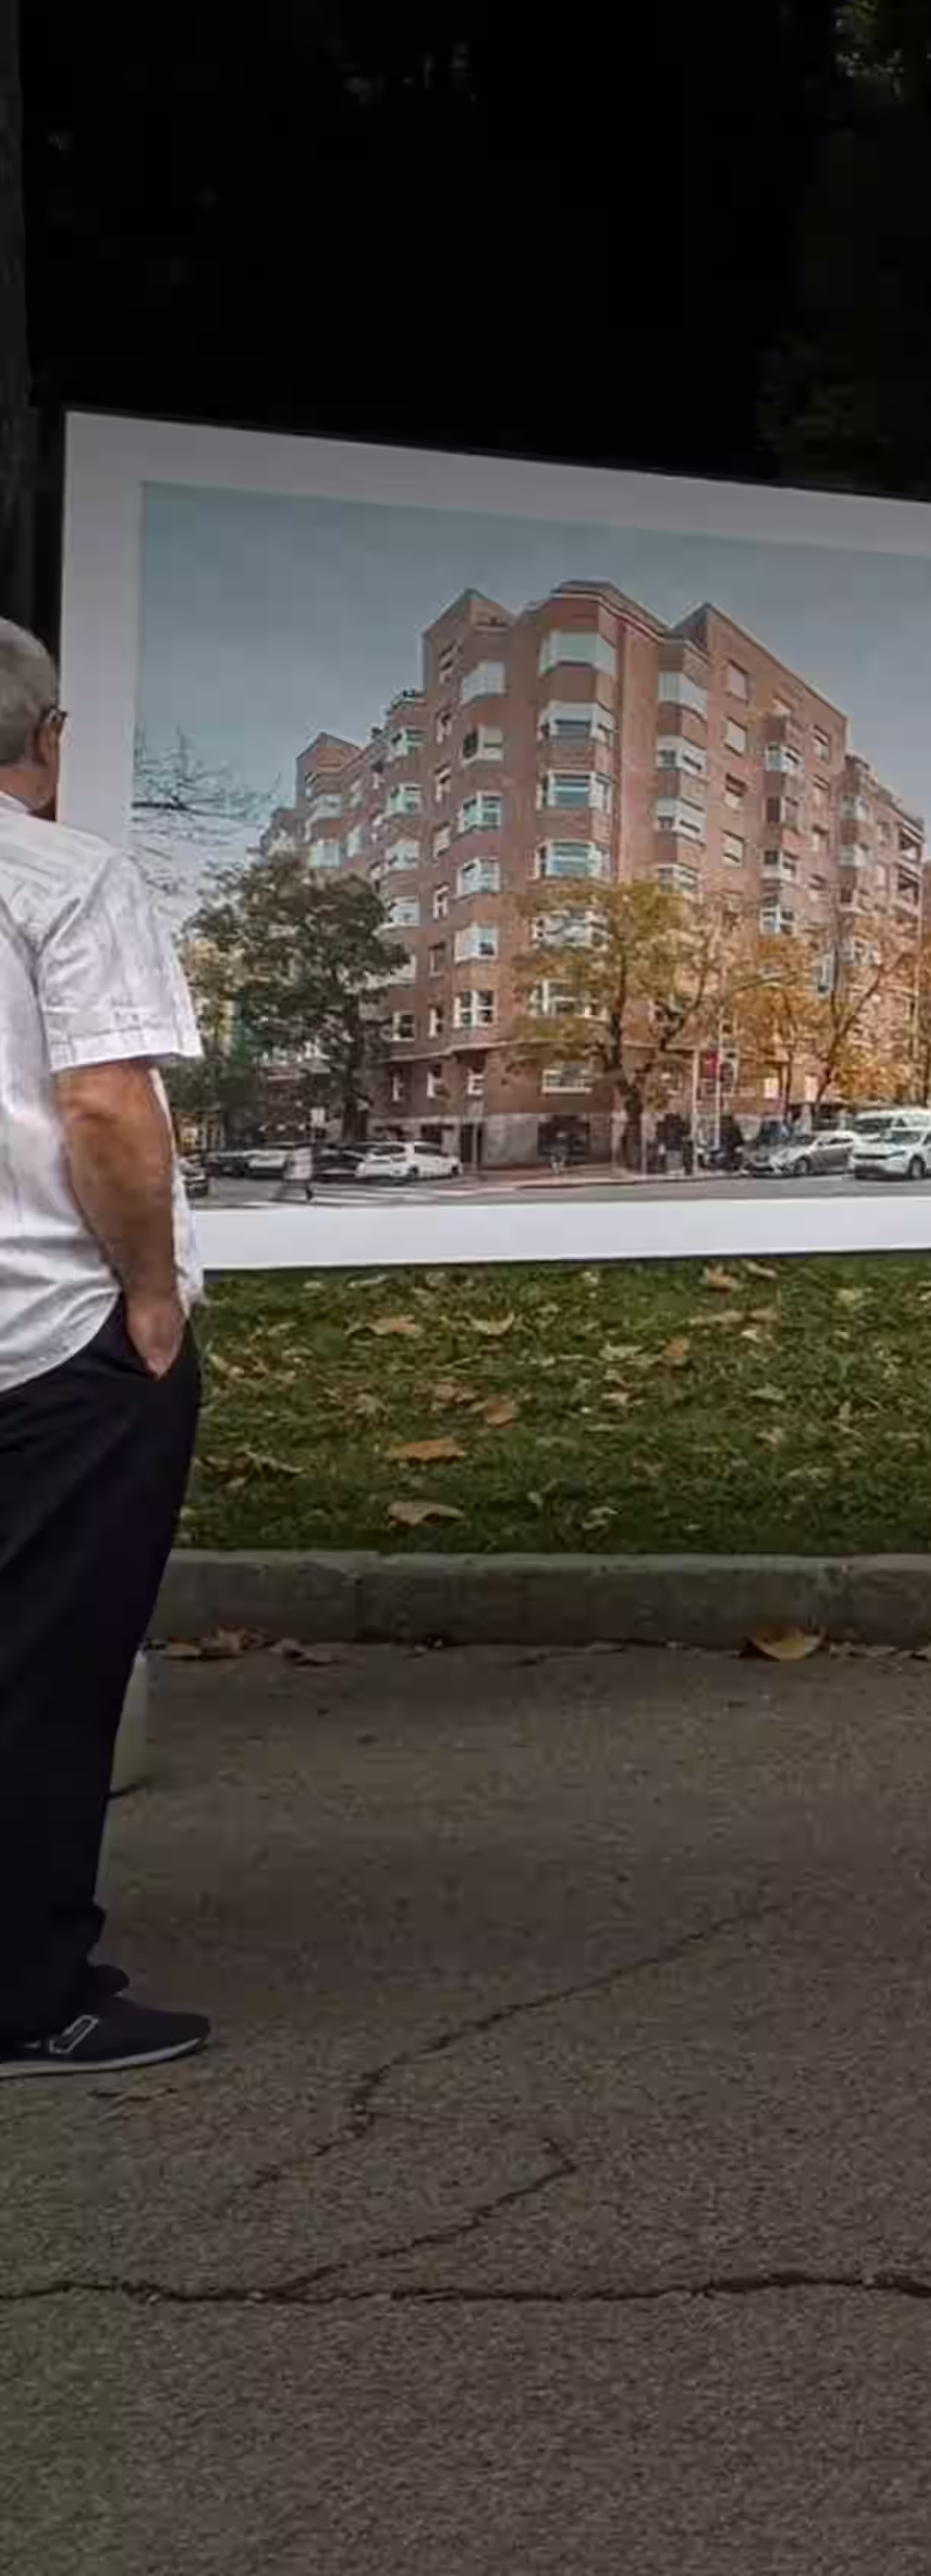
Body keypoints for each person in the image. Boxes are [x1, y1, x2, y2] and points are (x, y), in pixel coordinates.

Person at [0, 624, 215, 2083]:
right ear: (47, 733)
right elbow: (106, 1115)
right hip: (47, 1345)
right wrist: (148, 1300)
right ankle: (30, 1994)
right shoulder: (61, 880)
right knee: (43, 1672)